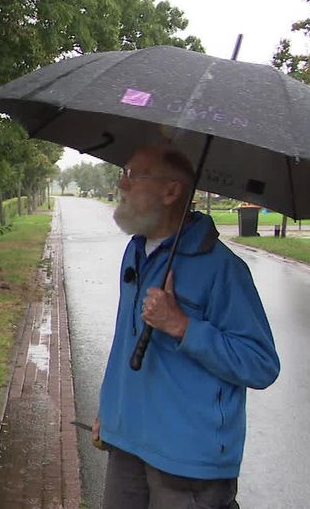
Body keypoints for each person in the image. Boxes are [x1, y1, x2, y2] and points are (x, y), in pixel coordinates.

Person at [93, 143, 280, 509]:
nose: (121, 184)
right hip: (128, 442)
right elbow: (124, 344)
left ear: (171, 191)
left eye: (134, 175)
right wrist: (110, 410)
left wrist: (182, 326)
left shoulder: (222, 268)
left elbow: (261, 364)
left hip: (190, 462)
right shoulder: (135, 251)